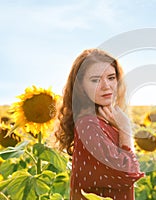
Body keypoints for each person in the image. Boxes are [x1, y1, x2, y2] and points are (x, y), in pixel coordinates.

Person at [55, 48, 144, 200]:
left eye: (111, 77)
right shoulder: (88, 125)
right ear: (81, 86)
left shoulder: (104, 120)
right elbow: (127, 172)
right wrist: (125, 129)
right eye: (95, 80)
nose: (106, 86)